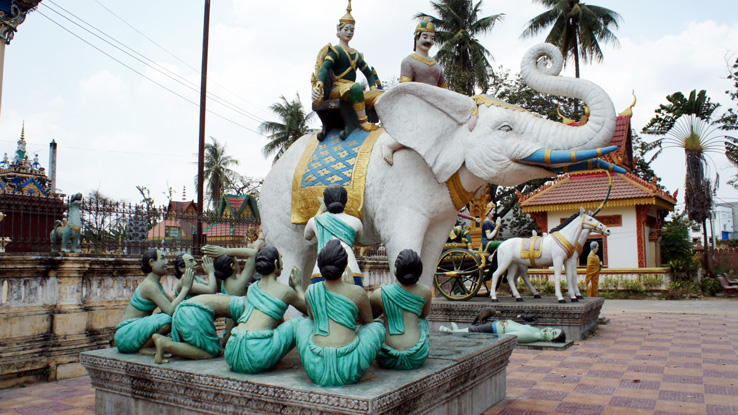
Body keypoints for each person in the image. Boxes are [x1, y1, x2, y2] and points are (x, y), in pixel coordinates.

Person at [295, 239, 385, 386]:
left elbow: (312, 320)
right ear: (344, 266)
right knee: (377, 326)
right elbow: (367, 323)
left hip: (316, 365)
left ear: (320, 266)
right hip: (350, 364)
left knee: (302, 323)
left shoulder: (311, 291)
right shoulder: (357, 292)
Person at [224, 247, 307, 374]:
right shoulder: (285, 291)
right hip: (258, 353)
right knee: (301, 323)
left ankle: (274, 360)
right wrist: (297, 286)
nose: (283, 266)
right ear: (275, 264)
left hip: (233, 350)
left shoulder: (252, 288)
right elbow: (309, 310)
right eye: (281, 260)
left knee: (276, 320)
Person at [380, 17, 447, 165]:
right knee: (421, 129)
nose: (428, 40)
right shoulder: (409, 61)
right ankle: (390, 145)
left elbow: (445, 92)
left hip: (435, 107)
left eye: (432, 37)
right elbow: (405, 88)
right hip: (415, 106)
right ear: (416, 38)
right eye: (425, 36)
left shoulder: (437, 66)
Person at [310, 0, 382, 132]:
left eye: (352, 30)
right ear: (339, 30)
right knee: (355, 88)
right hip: (338, 89)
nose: (349, 32)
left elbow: (368, 73)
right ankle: (363, 122)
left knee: (380, 95)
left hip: (353, 91)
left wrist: (373, 88)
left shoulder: (356, 54)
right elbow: (325, 68)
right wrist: (319, 84)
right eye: (346, 29)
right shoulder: (336, 51)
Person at [114, 249, 193, 354]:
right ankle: (144, 347)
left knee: (172, 317)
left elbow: (172, 303)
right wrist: (186, 288)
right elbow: (170, 310)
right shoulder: (149, 286)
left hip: (130, 332)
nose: (166, 262)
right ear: (152, 262)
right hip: (125, 336)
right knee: (167, 319)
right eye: (162, 258)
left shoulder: (156, 285)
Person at [370, 249, 432, 370]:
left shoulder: (380, 294)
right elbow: (424, 315)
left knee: (374, 324)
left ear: (395, 270)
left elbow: (370, 318)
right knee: (422, 322)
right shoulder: (426, 292)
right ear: (420, 272)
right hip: (417, 355)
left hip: (387, 356)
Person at [152, 291, 248, 364]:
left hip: (186, 309)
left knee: (215, 349)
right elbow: (232, 337)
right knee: (210, 352)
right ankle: (166, 344)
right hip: (193, 313)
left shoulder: (239, 300)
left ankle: (161, 339)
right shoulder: (246, 307)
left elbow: (226, 339)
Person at [304, 184, 364, 286]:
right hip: (350, 269)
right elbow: (360, 238)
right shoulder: (356, 222)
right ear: (345, 201)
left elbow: (307, 235)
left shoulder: (315, 220)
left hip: (321, 270)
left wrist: (321, 209)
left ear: (325, 201)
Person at [439, 320, 566, 344]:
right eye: (553, 329)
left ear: (550, 340)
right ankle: (458, 332)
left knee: (475, 330)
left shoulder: (530, 336)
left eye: (553, 333)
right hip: (498, 324)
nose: (550, 330)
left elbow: (508, 336)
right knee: (475, 329)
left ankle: (452, 333)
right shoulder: (535, 330)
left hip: (497, 329)